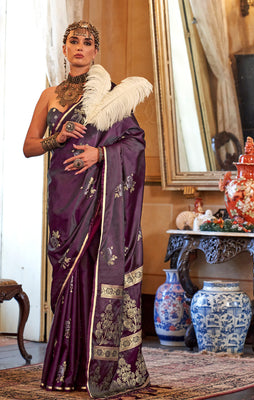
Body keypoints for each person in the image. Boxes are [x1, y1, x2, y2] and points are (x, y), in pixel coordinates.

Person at [23, 21, 152, 399]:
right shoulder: (49, 96)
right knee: (64, 280)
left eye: (88, 43)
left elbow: (135, 144)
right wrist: (56, 137)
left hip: (97, 200)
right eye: (74, 41)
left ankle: (93, 367)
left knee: (91, 274)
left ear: (96, 52)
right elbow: (28, 147)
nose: (80, 47)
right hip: (62, 202)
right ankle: (62, 368)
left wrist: (101, 154)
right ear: (64, 49)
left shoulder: (111, 96)